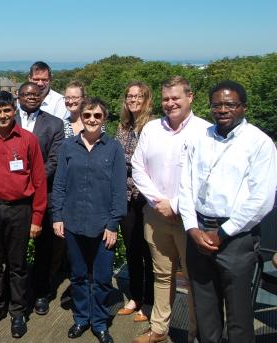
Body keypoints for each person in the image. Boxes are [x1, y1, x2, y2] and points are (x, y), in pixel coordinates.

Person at [179, 80, 277, 343]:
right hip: (198, 232)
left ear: (244, 106)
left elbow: (262, 199)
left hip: (236, 238)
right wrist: (191, 228)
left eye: (230, 104)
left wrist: (223, 232)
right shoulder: (199, 138)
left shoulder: (259, 143)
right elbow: (185, 185)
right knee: (205, 311)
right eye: (217, 105)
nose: (222, 109)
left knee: (239, 317)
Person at [131, 76, 210, 343]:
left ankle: (196, 333)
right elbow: (137, 166)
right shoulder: (152, 129)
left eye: (176, 97)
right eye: (166, 98)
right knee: (162, 275)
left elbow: (207, 176)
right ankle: (159, 329)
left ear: (190, 97)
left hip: (192, 219)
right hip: (156, 214)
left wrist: (175, 204)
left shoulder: (205, 131)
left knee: (196, 280)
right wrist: (158, 202)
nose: (170, 103)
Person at [0, 91, 47, 338]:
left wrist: (37, 218)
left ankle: (17, 312)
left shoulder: (28, 140)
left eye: (7, 110)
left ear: (14, 111)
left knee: (18, 266)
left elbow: (39, 181)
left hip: (19, 210)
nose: (2, 115)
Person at [52, 98, 127, 343]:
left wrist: (113, 224)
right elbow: (60, 184)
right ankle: (81, 318)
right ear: (81, 118)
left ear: (104, 118)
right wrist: (57, 216)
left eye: (97, 115)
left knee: (103, 278)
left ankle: (100, 322)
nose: (92, 120)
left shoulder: (113, 148)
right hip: (73, 222)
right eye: (87, 115)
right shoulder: (69, 147)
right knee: (79, 275)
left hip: (103, 225)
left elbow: (118, 189)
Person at [15, 81, 65, 316]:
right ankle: (18, 292)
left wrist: (30, 182)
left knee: (45, 247)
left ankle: (42, 293)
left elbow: (54, 161)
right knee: (16, 247)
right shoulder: (7, 118)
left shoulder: (54, 124)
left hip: (43, 193)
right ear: (19, 96)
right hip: (13, 197)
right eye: (26, 94)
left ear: (41, 97)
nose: (31, 98)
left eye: (35, 94)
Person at [115, 81, 155, 323]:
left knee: (150, 251)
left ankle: (150, 302)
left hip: (146, 197)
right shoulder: (123, 125)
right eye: (130, 96)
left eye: (138, 96)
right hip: (125, 196)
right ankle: (136, 297)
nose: (133, 100)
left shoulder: (153, 126)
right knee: (132, 248)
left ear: (146, 98)